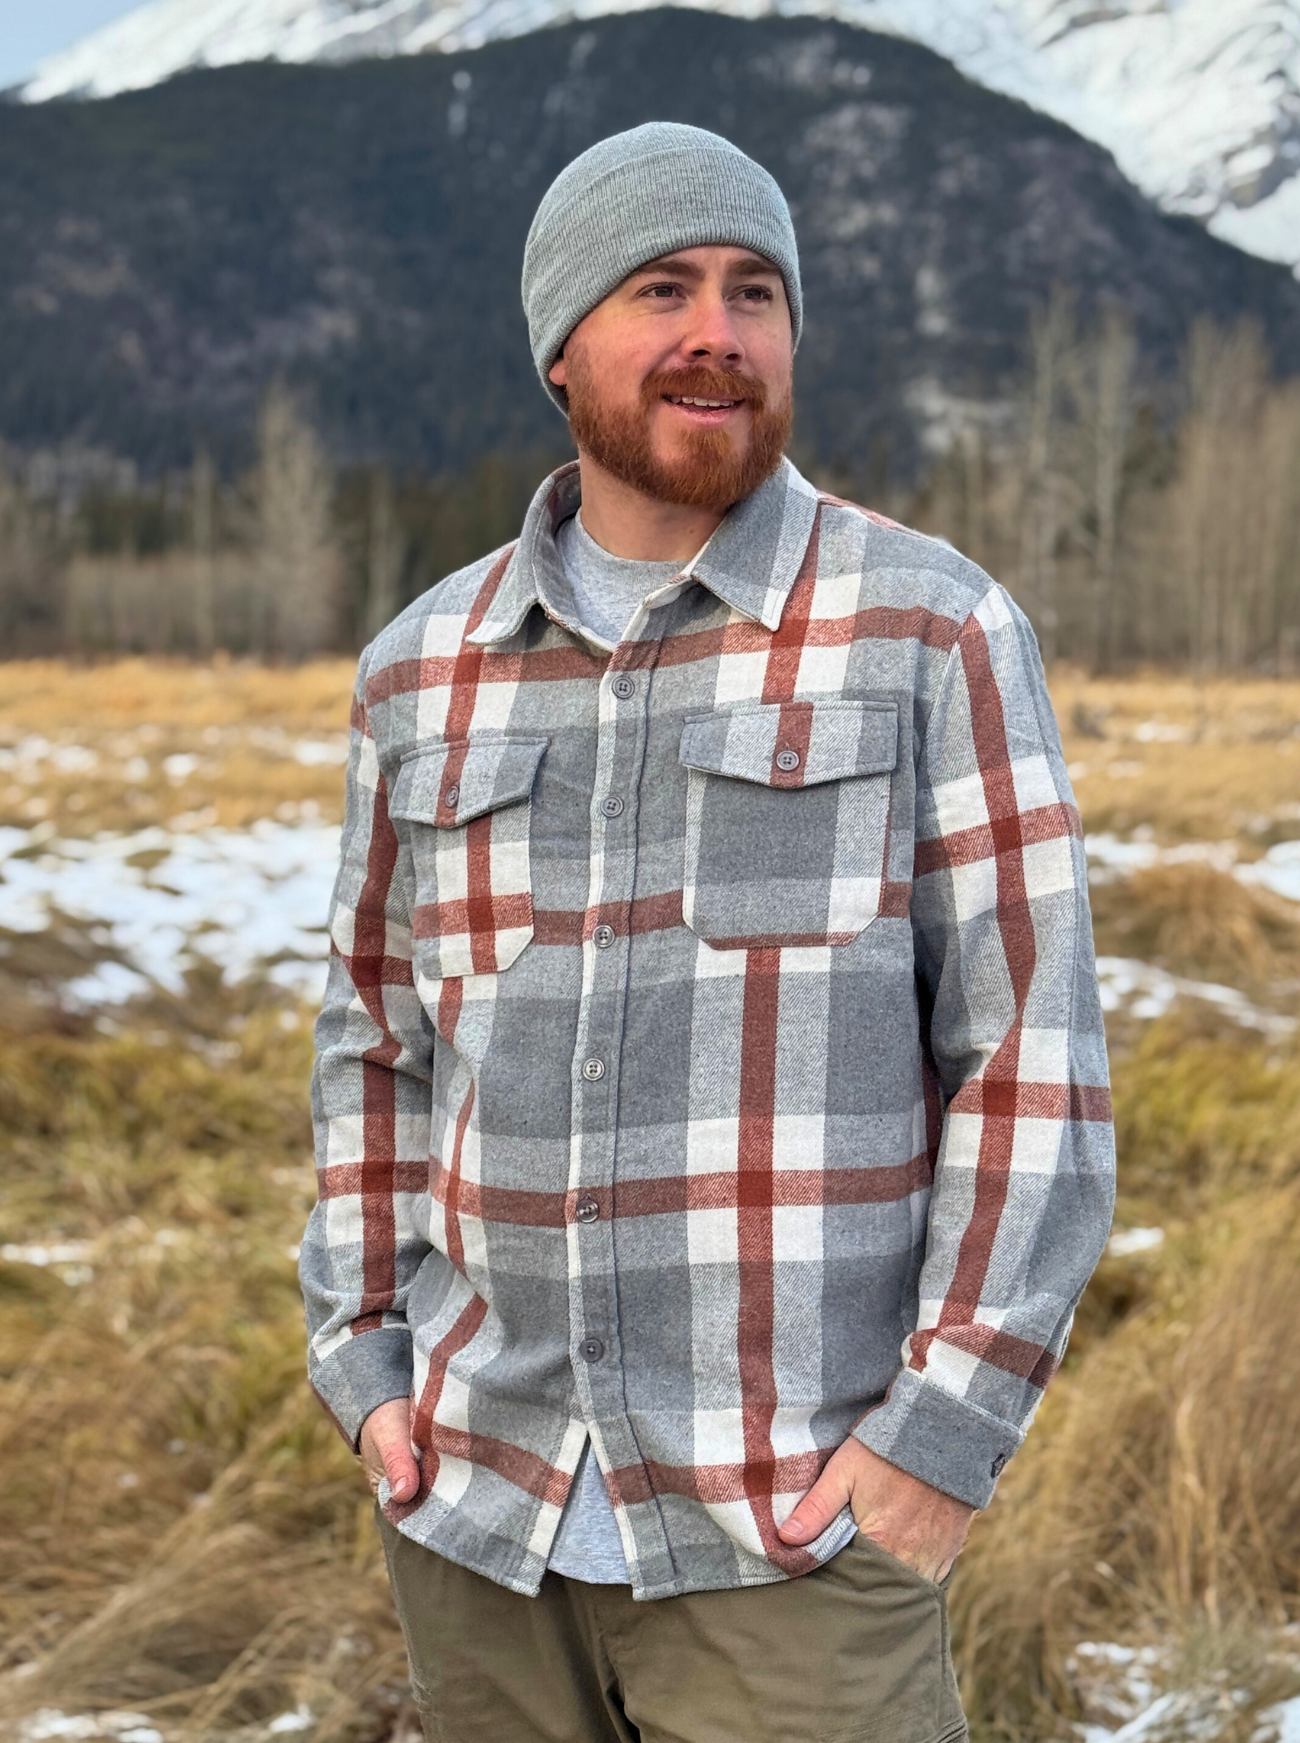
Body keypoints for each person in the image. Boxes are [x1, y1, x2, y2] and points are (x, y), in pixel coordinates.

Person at [300, 122, 1115, 1743]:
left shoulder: (929, 629)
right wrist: (365, 1355)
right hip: (480, 1515)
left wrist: (937, 1442)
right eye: (662, 287)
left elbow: (1032, 1058)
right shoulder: (421, 670)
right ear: (561, 344)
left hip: (794, 1535)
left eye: (756, 293)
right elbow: (374, 1041)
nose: (717, 334)